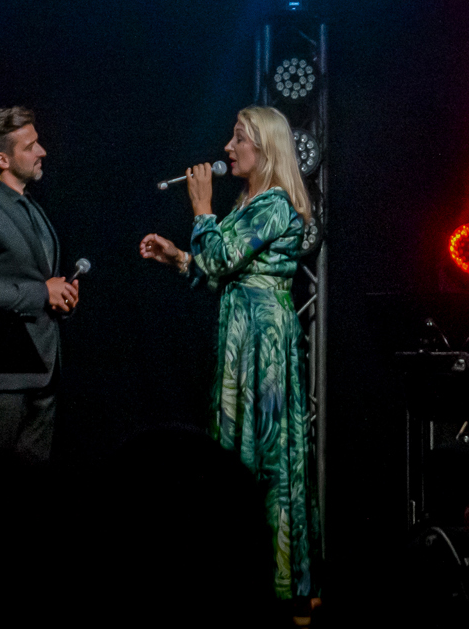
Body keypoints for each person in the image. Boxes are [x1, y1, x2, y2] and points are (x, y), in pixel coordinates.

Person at [139, 106, 315, 604]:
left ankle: (277, 584)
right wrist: (178, 257)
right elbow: (219, 271)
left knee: (267, 454)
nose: (227, 148)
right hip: (241, 333)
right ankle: (237, 574)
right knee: (237, 450)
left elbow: (220, 257)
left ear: (265, 148)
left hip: (264, 339)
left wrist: (201, 207)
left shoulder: (275, 204)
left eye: (238, 139)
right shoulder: (247, 203)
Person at [0, 104, 78, 462]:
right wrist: (43, 292)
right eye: (30, 146)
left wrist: (61, 296)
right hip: (3, 376)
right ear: (2, 159)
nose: (42, 151)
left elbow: (34, 277)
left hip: (43, 367)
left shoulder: (29, 206)